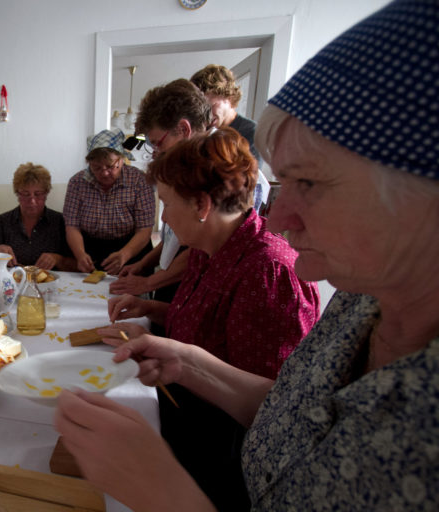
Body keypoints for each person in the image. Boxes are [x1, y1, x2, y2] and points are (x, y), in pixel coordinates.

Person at [54, 1, 439, 510]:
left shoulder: (272, 269)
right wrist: (190, 362)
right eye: (285, 182)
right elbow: (292, 418)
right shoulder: (359, 304)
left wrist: (159, 488)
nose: (277, 218)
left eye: (309, 182)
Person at [105, 127, 320, 509]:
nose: (165, 219)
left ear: (202, 206)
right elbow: (209, 328)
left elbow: (271, 405)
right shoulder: (207, 248)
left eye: (167, 204)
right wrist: (152, 309)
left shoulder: (267, 272)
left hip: (223, 466)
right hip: (186, 427)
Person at [110, 78, 210, 300]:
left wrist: (148, 283)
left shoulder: (213, 172)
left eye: (158, 143)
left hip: (191, 290)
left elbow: (197, 251)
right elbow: (173, 239)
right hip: (170, 283)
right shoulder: (183, 168)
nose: (155, 152)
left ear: (184, 129)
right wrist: (143, 265)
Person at [63, 128, 155, 275]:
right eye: (97, 168)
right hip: (90, 249)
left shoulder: (139, 181)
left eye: (111, 166)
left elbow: (144, 229)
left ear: (121, 159)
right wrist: (80, 255)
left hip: (131, 247)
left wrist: (125, 254)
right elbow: (72, 226)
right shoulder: (77, 183)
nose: (104, 173)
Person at [192, 64, 271, 208]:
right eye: (201, 109)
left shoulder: (251, 132)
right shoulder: (204, 131)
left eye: (211, 106)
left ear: (229, 97)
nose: (206, 115)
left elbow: (245, 183)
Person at [0, 162, 75, 270]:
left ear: (46, 193)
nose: (32, 201)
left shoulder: (60, 221)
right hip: (13, 283)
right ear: (17, 194)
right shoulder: (3, 221)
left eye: (38, 194)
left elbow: (77, 265)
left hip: (50, 284)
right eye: (25, 194)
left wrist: (58, 259)